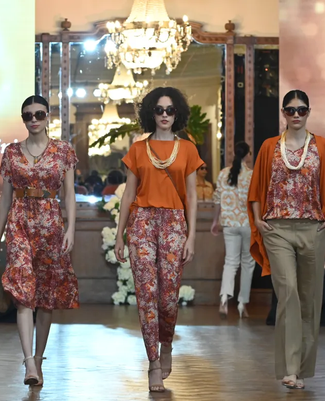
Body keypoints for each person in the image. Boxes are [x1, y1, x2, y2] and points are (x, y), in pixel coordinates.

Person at [247, 90, 325, 390]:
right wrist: (258, 220)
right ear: (283, 113)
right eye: (290, 110)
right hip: (277, 228)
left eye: (301, 110)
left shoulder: (322, 146)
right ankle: (289, 369)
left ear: (309, 112)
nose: (296, 115)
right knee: (287, 292)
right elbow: (256, 187)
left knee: (309, 300)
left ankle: (301, 370)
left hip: (313, 228)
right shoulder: (269, 146)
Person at [114, 87, 203, 393]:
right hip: (142, 222)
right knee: (146, 294)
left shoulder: (187, 149)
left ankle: (166, 343)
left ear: (178, 114)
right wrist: (119, 235)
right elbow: (128, 194)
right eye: (159, 110)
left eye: (170, 110)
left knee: (167, 297)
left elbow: (192, 196)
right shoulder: (139, 149)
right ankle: (152, 362)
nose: (165, 115)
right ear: (150, 113)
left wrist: (192, 235)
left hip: (174, 224)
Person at [0, 95, 79, 387]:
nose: (34, 119)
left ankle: (38, 359)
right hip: (19, 223)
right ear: (23, 119)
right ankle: (28, 361)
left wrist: (71, 229)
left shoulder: (63, 150)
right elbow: (5, 199)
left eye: (39, 114)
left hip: (51, 225)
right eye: (28, 115)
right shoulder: (12, 152)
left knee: (46, 298)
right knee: (23, 293)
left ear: (48, 116)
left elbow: (69, 194)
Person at [211, 142, 255, 318]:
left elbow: (217, 199)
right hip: (247, 223)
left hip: (229, 223)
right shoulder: (251, 175)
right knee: (248, 263)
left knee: (230, 262)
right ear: (248, 155)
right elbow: (256, 201)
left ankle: (224, 298)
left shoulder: (223, 174)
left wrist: (215, 221)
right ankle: (242, 303)